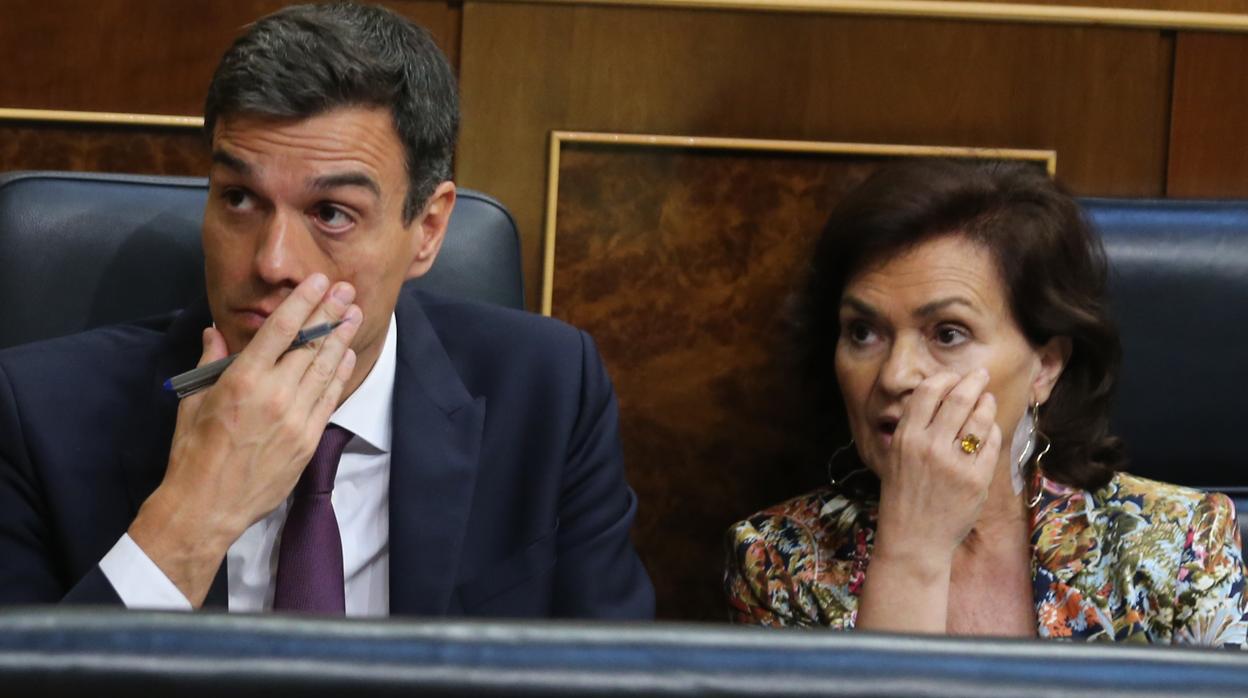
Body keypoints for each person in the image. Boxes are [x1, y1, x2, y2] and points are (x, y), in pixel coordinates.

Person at [0, 2, 654, 619]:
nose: (272, 262)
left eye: (331, 213)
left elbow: (615, 674)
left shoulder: (549, 391)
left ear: (427, 228)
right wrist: (193, 517)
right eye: (238, 199)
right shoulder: (36, 415)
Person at [724, 159, 1248, 645]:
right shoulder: (776, 561)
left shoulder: (1183, 544)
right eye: (863, 332)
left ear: (1045, 366)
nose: (895, 375)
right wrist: (913, 551)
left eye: (948, 333)